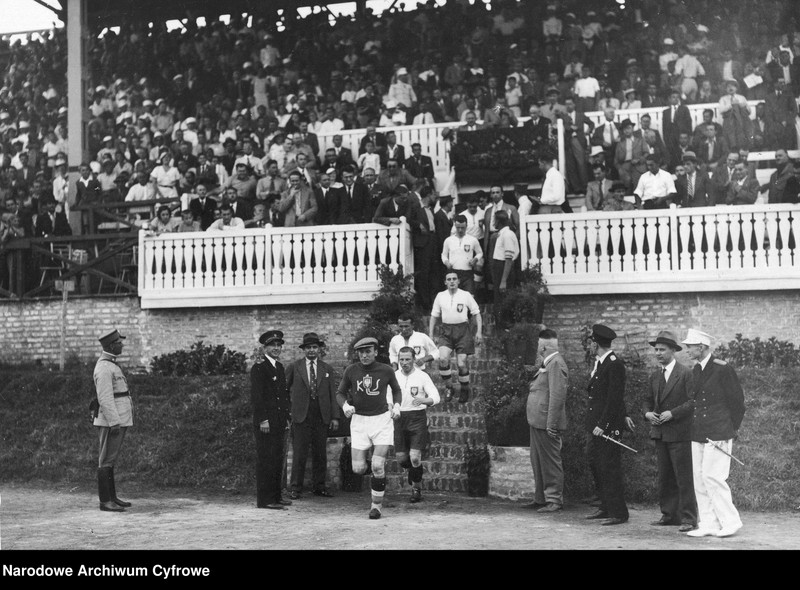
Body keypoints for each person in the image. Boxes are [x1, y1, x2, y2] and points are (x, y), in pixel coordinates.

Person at [682, 328, 745, 538]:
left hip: (718, 432)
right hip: (698, 432)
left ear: (701, 347)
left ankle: (731, 522)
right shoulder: (696, 370)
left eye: (689, 346)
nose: (686, 350)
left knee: (714, 478)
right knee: (699, 479)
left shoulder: (722, 368)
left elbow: (737, 403)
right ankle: (708, 523)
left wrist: (729, 429)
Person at [336, 337, 402, 520]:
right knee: (357, 469)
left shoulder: (386, 370)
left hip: (381, 421)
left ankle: (376, 506)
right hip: (359, 422)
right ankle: (377, 475)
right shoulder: (351, 370)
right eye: (361, 352)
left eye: (368, 351)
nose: (364, 355)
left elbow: (397, 390)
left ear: (375, 351)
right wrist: (345, 406)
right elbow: (340, 393)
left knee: (377, 464)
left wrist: (396, 406)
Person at [644, 330, 698, 533]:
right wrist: (648, 413)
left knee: (683, 476)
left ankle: (689, 518)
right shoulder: (655, 376)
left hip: (680, 433)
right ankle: (669, 515)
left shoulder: (685, 374)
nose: (658, 353)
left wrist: (672, 414)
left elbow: (693, 402)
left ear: (673, 351)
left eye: (662, 350)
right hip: (660, 432)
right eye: (656, 350)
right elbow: (647, 400)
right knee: (665, 475)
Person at [585, 324, 630, 526]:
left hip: (607, 427)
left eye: (591, 342)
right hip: (596, 426)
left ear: (596, 343)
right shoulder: (602, 363)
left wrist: (603, 424)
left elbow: (614, 399)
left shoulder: (614, 364)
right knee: (597, 466)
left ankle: (618, 513)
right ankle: (605, 507)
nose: (590, 345)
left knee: (609, 468)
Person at [286, 332, 340, 500]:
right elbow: (283, 390)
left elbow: (333, 394)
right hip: (301, 416)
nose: (311, 350)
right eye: (308, 347)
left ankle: (319, 486)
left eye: (314, 347)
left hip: (321, 416)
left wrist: (334, 417)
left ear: (319, 349)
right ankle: (295, 488)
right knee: (300, 453)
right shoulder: (295, 367)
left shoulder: (327, 369)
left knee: (320, 453)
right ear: (304, 350)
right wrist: (289, 411)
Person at [523, 328, 568, 514]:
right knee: (538, 461)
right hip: (537, 420)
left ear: (543, 346)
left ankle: (554, 499)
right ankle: (541, 497)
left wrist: (552, 424)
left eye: (538, 345)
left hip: (545, 422)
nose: (537, 349)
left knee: (550, 461)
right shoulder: (548, 363)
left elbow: (557, 396)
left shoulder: (556, 364)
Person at [250, 329, 292, 509]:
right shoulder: (259, 368)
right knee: (266, 459)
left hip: (279, 420)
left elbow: (283, 395)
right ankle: (265, 500)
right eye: (272, 345)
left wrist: (287, 417)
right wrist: (263, 420)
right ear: (264, 347)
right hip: (266, 422)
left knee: (277, 458)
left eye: (278, 345)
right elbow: (257, 397)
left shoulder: (279, 367)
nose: (276, 348)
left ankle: (276, 496)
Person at [394, 346, 440, 503]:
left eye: (408, 359)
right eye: (402, 359)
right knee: (401, 459)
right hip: (399, 419)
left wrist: (424, 400)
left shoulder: (422, 376)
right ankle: (414, 473)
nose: (404, 362)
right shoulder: (393, 376)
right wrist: (391, 408)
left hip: (417, 418)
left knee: (415, 457)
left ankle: (416, 489)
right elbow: (388, 397)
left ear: (414, 359)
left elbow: (436, 397)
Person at [93, 329, 133, 512]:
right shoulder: (104, 367)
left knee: (111, 459)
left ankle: (112, 498)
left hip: (118, 418)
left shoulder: (111, 365)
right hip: (112, 420)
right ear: (111, 346)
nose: (122, 345)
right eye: (119, 342)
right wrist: (114, 421)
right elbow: (105, 398)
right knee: (105, 459)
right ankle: (105, 501)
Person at [429, 271, 483, 403]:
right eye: (449, 279)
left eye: (454, 279)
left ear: (458, 281)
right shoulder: (440, 296)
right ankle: (449, 387)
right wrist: (431, 334)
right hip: (446, 331)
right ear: (445, 282)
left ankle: (464, 389)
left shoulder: (466, 295)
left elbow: (477, 313)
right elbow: (434, 316)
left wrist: (479, 332)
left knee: (461, 363)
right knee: (443, 359)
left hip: (463, 331)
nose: (452, 281)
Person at [441, 214, 483, 294]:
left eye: (462, 228)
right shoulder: (449, 240)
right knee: (453, 297)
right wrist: (446, 262)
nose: (460, 230)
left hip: (467, 273)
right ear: (455, 226)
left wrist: (475, 259)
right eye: (458, 227)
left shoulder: (472, 240)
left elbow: (480, 253)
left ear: (466, 226)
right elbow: (443, 255)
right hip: (453, 273)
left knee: (469, 296)